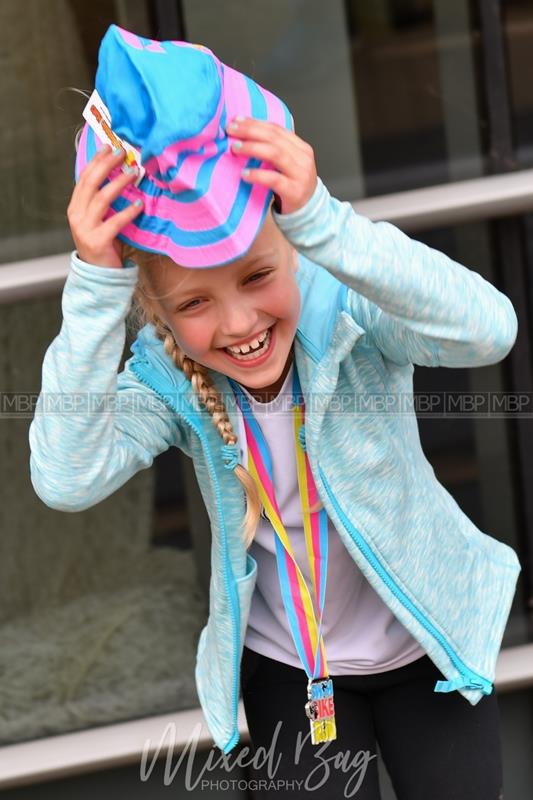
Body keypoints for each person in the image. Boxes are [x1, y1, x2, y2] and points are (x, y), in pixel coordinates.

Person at [29, 24, 519, 800]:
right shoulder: (168, 374)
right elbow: (65, 474)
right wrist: (94, 288)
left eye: (258, 275)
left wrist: (325, 223)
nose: (237, 325)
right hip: (292, 672)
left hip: (426, 646)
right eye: (194, 301)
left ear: (290, 244)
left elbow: (487, 330)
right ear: (155, 306)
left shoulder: (350, 308)